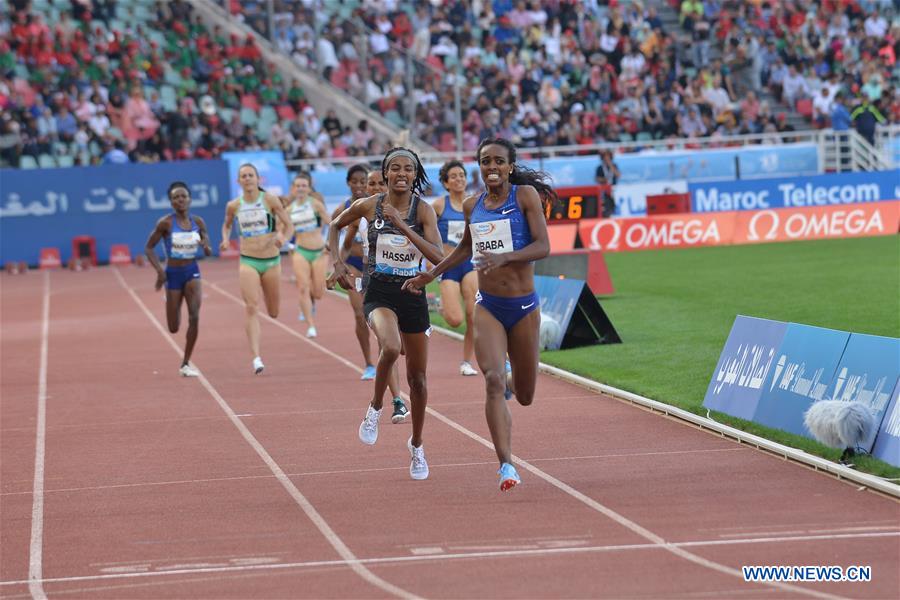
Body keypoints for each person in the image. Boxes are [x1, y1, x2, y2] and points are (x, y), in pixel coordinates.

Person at [403, 138, 552, 491]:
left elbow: (543, 246)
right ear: (479, 167)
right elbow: (465, 249)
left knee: (526, 394)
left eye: (499, 161)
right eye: (486, 162)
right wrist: (432, 273)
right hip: (490, 306)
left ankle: (512, 382)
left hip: (524, 306)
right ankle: (506, 466)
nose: (492, 167)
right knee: (492, 381)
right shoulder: (474, 205)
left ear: (510, 166)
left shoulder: (525, 197)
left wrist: (506, 256)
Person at [328, 147, 444, 480]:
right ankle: (375, 407)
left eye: (408, 168)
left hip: (413, 295)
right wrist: (338, 263)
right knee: (391, 347)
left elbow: (437, 256)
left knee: (418, 381)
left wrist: (403, 226)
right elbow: (335, 226)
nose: (402, 174)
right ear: (386, 172)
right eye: (395, 168)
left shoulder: (423, 211)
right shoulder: (369, 205)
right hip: (378, 292)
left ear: (415, 174)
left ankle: (417, 445)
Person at [337, 166, 409, 419]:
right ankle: (398, 399)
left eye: (380, 183)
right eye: (371, 184)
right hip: (371, 279)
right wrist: (337, 267)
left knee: (401, 347)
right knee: (385, 343)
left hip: (402, 279)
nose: (375, 188)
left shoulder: (405, 209)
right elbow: (343, 245)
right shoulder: (361, 213)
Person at [219, 163, 292, 374]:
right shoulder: (233, 205)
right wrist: (225, 239)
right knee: (251, 307)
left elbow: (289, 225)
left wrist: (282, 238)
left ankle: (272, 312)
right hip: (248, 260)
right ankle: (256, 357)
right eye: (244, 176)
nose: (248, 178)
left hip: (271, 261)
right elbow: (226, 224)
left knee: (274, 311)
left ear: (258, 179)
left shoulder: (269, 200)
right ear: (239, 181)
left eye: (251, 175)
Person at [144, 181, 212, 377]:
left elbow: (207, 248)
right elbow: (149, 248)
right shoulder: (165, 223)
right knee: (173, 327)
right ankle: (174, 301)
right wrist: (160, 271)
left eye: (183, 196)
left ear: (189, 199)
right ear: (171, 202)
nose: (180, 200)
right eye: (176, 197)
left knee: (195, 316)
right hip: (173, 275)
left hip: (192, 271)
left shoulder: (198, 222)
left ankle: (185, 363)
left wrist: (206, 247)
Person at [431, 160, 479, 376]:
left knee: (473, 315)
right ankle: (442, 306)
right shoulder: (439, 205)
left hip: (470, 264)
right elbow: (424, 230)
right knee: (455, 320)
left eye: (462, 175)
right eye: (454, 176)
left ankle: (466, 362)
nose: (459, 179)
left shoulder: (474, 204)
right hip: (448, 266)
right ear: (446, 183)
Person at [283, 172, 329, 338]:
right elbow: (286, 232)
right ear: (293, 189)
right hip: (301, 251)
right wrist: (285, 242)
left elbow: (332, 224)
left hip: (319, 252)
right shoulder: (289, 210)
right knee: (302, 287)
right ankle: (311, 325)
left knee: (318, 292)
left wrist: (329, 244)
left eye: (304, 186)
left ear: (309, 188)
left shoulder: (316, 205)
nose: (301, 189)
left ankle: (311, 300)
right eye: (298, 186)